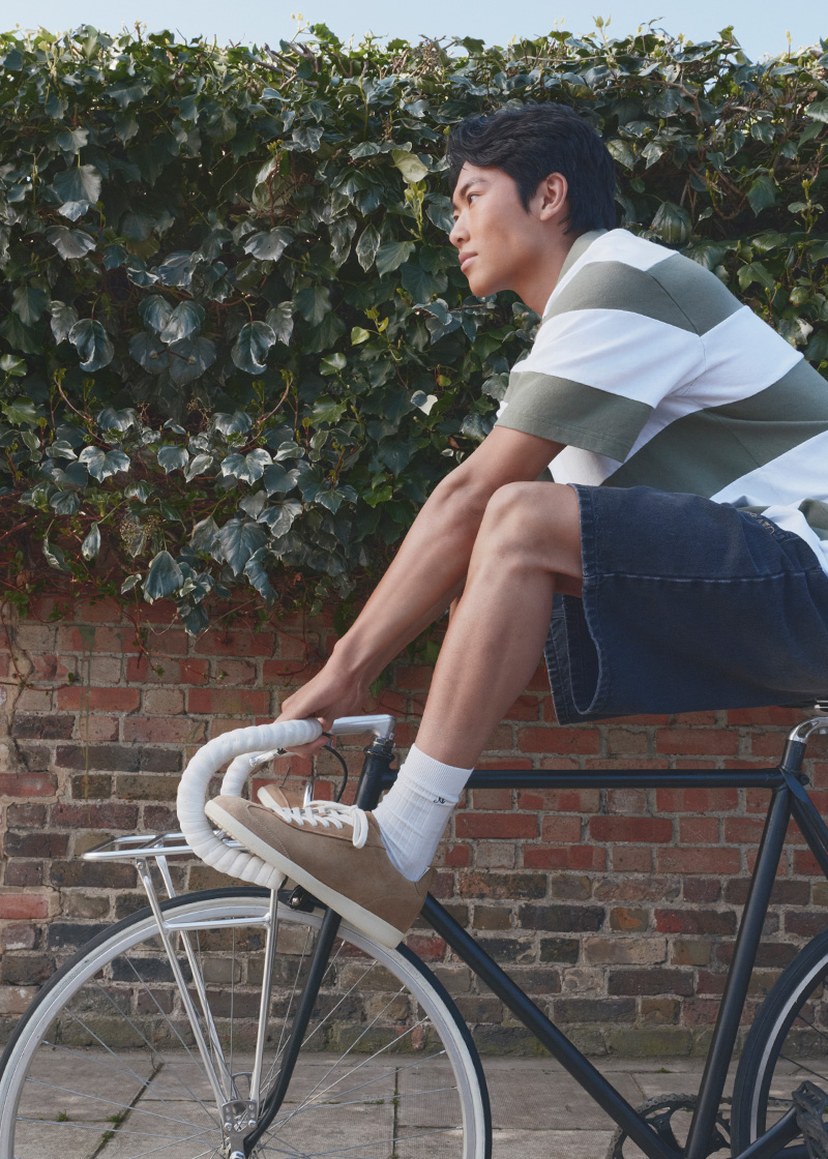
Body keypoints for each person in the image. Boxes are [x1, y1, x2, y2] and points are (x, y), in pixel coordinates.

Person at [207, 103, 828, 949]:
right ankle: (396, 831)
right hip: (783, 578)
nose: (454, 227)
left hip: (810, 570)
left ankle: (402, 841)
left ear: (549, 195)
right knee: (514, 537)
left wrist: (348, 670)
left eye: (470, 196)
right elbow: (493, 554)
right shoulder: (582, 327)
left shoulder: (620, 281)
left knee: (516, 515)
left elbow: (474, 497)